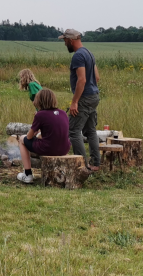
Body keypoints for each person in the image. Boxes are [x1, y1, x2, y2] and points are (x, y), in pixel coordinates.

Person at [60, 29, 101, 171]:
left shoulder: (78, 56)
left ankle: (81, 166)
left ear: (71, 40)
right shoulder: (89, 53)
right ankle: (95, 163)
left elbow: (81, 80)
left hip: (84, 98)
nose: (65, 44)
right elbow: (97, 78)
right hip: (94, 96)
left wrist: (75, 101)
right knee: (90, 130)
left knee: (73, 131)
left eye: (65, 41)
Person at [15, 88, 71, 184]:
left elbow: (28, 137)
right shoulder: (63, 113)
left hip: (48, 148)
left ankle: (27, 174)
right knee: (41, 138)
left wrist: (35, 133)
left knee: (21, 139)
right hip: (64, 149)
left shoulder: (40, 115)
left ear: (39, 101)